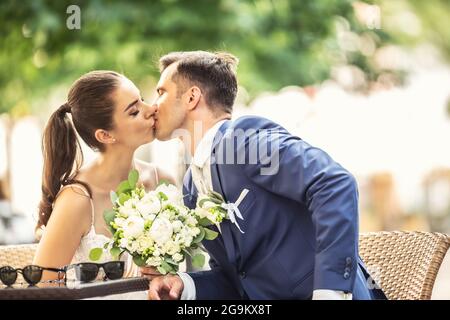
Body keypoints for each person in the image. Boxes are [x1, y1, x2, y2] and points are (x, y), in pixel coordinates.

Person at [145, 51, 386, 300]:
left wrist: (329, 292)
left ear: (192, 97)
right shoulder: (191, 187)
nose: (153, 106)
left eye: (161, 92)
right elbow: (238, 279)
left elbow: (334, 183)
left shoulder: (243, 140)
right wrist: (186, 285)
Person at [32, 71, 175, 287]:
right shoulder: (77, 199)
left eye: (142, 100)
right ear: (105, 135)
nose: (152, 109)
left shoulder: (163, 181)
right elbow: (43, 287)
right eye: (134, 111)